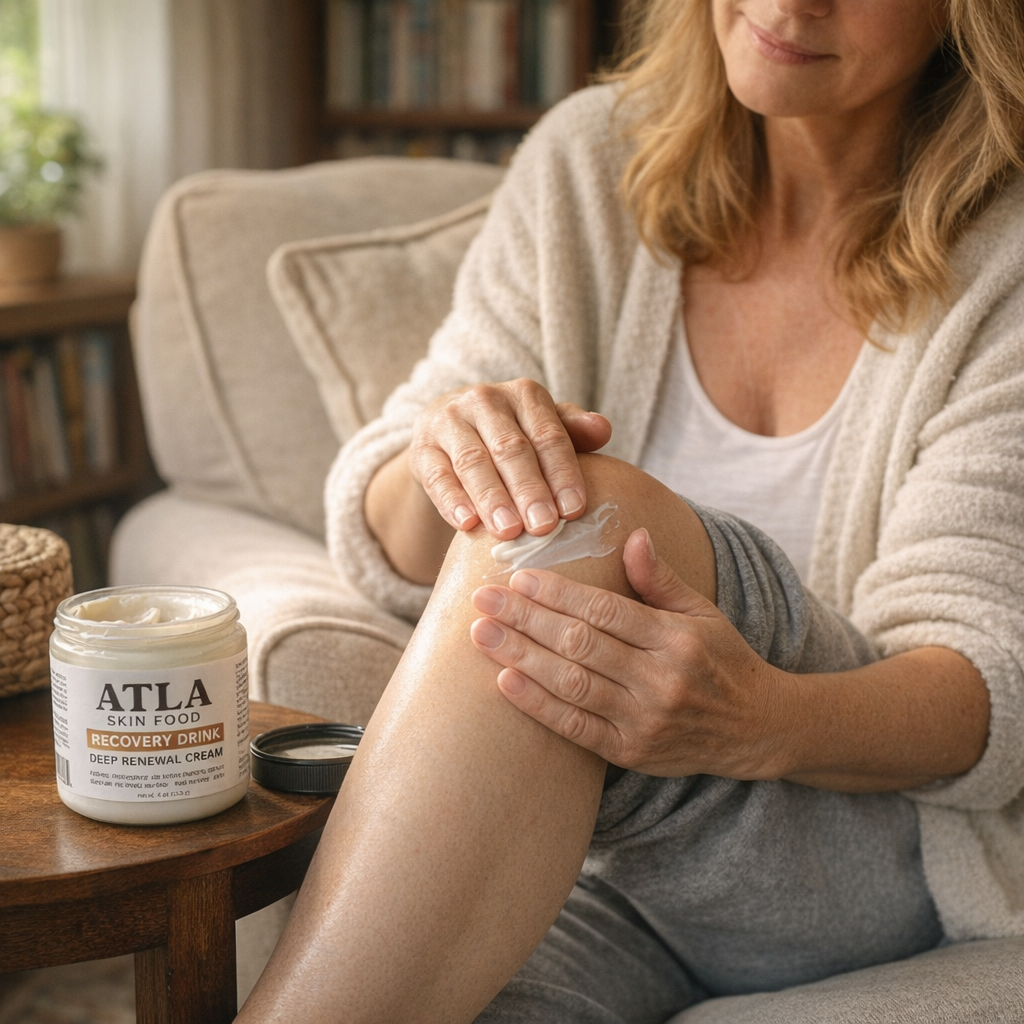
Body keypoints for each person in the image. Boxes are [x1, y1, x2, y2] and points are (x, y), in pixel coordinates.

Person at [237, 1, 1024, 1021]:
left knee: (586, 517)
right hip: (621, 862)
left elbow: (987, 690)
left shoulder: (1005, 257)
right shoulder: (589, 160)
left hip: (877, 844)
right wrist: (448, 449)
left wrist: (752, 721)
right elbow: (398, 523)